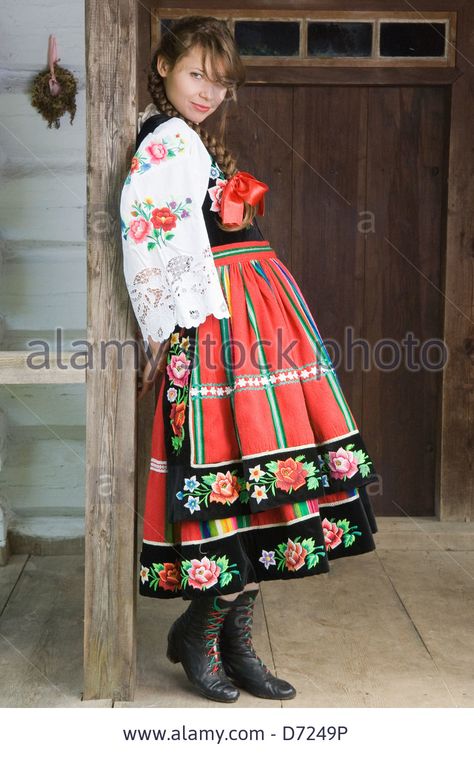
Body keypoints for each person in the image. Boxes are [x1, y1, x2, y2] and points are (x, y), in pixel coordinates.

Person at [119, 15, 379, 704]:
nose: (208, 91)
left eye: (220, 80)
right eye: (195, 73)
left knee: (263, 483)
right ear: (165, 63)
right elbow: (148, 241)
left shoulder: (184, 135)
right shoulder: (168, 139)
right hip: (219, 326)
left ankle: (230, 640)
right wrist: (158, 334)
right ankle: (204, 636)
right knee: (244, 475)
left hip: (253, 319)